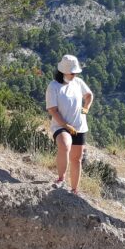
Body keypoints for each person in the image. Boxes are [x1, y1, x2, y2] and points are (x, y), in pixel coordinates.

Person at [45, 54, 93, 193]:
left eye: (75, 72)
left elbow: (89, 95)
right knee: (65, 144)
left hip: (79, 126)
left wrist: (86, 108)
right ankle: (61, 178)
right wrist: (66, 126)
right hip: (61, 125)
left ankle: (74, 189)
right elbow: (53, 111)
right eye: (72, 72)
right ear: (63, 71)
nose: (75, 74)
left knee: (77, 158)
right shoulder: (53, 86)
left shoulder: (78, 82)